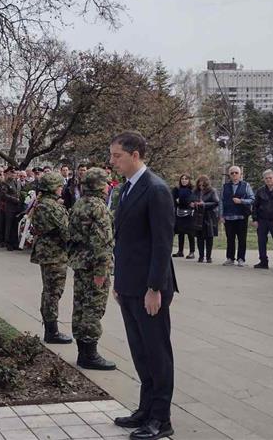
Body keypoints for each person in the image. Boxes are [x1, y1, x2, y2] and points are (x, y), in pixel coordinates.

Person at [110, 132, 176, 440]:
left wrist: (154, 288)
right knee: (140, 353)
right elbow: (125, 241)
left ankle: (161, 419)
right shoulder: (127, 187)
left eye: (117, 156)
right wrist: (119, 281)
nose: (113, 161)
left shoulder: (156, 189)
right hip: (129, 284)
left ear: (135, 154)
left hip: (150, 289)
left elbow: (162, 244)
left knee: (157, 354)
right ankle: (146, 409)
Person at [68, 167, 115, 371]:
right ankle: (90, 354)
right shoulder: (98, 207)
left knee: (80, 306)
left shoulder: (79, 204)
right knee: (93, 308)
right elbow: (102, 242)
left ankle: (82, 352)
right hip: (94, 265)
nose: (108, 187)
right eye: (106, 183)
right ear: (99, 185)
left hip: (80, 263)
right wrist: (101, 271)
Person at [29, 171, 73, 345]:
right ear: (53, 187)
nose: (61, 189)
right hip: (54, 254)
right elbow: (66, 232)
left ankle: (50, 329)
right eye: (59, 186)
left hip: (48, 253)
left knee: (49, 291)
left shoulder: (42, 203)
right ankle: (52, 332)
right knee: (53, 292)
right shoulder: (52, 206)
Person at [221, 165, 255, 267]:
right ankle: (230, 258)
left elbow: (252, 199)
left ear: (240, 174)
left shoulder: (246, 185)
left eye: (236, 173)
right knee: (230, 239)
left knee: (242, 239)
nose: (234, 174)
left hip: (242, 216)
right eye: (232, 173)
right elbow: (221, 201)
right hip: (228, 217)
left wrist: (241, 201)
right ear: (229, 175)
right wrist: (221, 215)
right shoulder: (225, 186)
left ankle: (241, 258)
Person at [191, 175, 219, 264]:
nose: (201, 187)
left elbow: (216, 202)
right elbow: (191, 200)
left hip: (209, 216)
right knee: (199, 237)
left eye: (203, 185)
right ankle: (201, 256)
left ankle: (208, 257)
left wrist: (204, 204)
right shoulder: (195, 191)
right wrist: (192, 204)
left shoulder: (212, 191)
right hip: (198, 216)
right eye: (199, 185)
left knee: (209, 237)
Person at [172, 174, 196, 258]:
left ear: (189, 180)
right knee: (180, 233)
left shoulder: (192, 189)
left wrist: (182, 201)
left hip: (190, 213)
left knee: (190, 233)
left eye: (186, 179)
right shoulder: (176, 189)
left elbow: (192, 200)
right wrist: (178, 202)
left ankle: (192, 252)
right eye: (182, 179)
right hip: (179, 212)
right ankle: (180, 251)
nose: (184, 180)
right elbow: (173, 200)